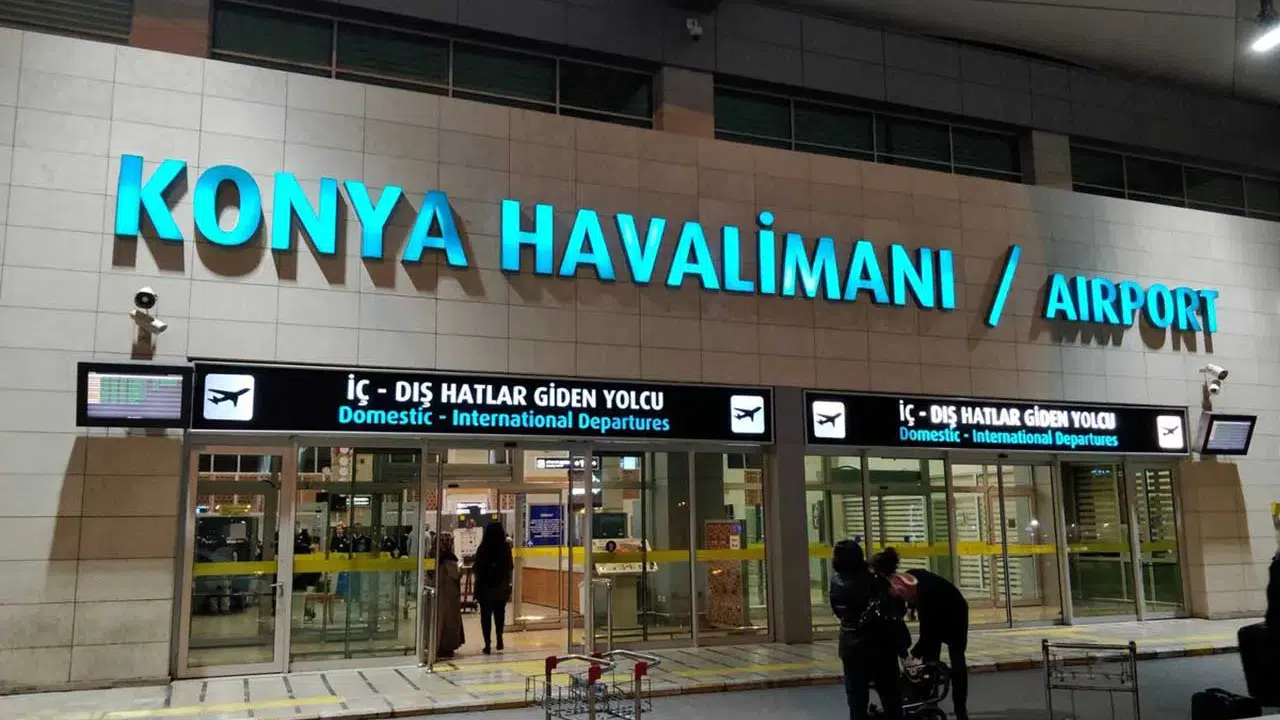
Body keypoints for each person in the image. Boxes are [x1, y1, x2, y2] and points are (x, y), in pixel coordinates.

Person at [874, 548, 970, 720]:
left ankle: (960, 709)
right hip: (937, 609)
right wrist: (911, 607)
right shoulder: (908, 577)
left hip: (956, 613)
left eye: (899, 594)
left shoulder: (928, 597)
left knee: (957, 659)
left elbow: (928, 635)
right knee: (929, 658)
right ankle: (927, 702)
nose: (898, 597)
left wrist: (911, 655)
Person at [830, 539, 908, 720]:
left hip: (850, 647)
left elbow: (838, 611)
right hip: (878, 647)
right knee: (891, 698)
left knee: (857, 702)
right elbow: (895, 609)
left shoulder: (835, 581)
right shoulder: (872, 580)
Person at [473, 522, 514, 654]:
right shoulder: (505, 548)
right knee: (499, 614)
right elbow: (510, 567)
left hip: (485, 588)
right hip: (500, 587)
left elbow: (477, 568)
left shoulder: (483, 548)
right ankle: (499, 637)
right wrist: (508, 584)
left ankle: (487, 644)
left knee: (485, 616)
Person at [434, 532, 465, 658]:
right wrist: (461, 571)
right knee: (448, 621)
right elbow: (455, 575)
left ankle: (436, 643)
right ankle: (446, 646)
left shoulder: (434, 556)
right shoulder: (449, 558)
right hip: (449, 595)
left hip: (437, 593)